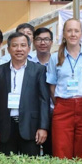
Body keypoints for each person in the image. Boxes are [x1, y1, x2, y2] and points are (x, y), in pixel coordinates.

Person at [0, 32, 50, 156]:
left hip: (30, 127)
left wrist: (43, 127)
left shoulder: (39, 70)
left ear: (29, 48)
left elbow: (44, 100)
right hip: (5, 127)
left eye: (23, 45)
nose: (19, 49)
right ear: (8, 49)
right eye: (15, 45)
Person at [47, 18, 82, 159]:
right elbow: (52, 85)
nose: (73, 34)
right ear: (64, 34)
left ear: (81, 34)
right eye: (69, 31)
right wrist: (60, 103)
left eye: (76, 31)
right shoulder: (55, 58)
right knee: (61, 149)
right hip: (63, 107)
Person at [29, 27, 54, 155]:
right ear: (33, 42)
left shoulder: (58, 62)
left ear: (51, 42)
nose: (42, 43)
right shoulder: (28, 64)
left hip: (54, 112)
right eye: (39, 39)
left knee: (52, 151)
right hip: (34, 114)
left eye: (46, 39)